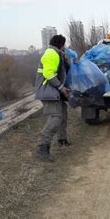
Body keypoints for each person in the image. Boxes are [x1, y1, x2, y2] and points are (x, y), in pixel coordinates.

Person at [34, 34, 71, 162]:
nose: (65, 47)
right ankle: (42, 148)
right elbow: (48, 74)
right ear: (61, 44)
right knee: (56, 117)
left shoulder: (57, 54)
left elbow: (61, 73)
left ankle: (62, 140)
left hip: (55, 91)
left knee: (63, 114)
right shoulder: (51, 53)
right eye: (64, 45)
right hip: (48, 91)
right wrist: (61, 88)